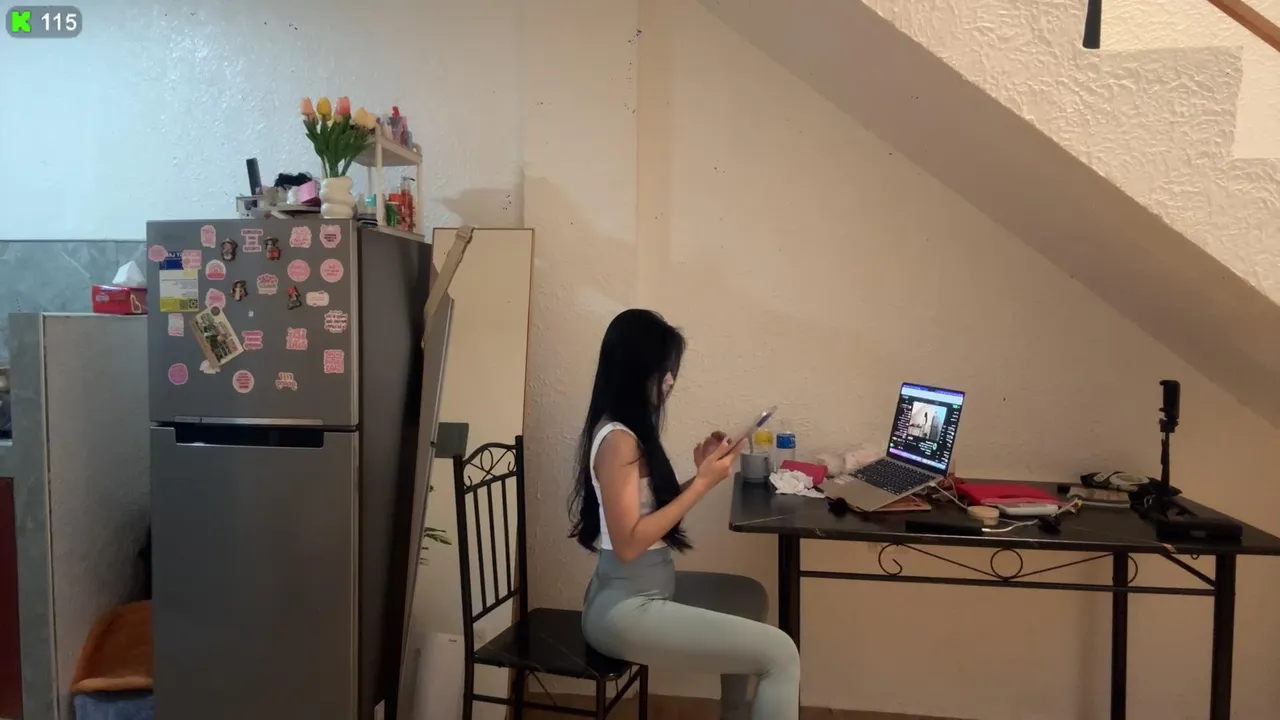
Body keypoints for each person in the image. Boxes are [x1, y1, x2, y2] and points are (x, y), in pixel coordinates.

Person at [569, 309, 801, 720]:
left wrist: (699, 473)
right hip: (622, 610)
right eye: (665, 369)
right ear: (638, 368)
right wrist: (702, 485)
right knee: (781, 654)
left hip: (651, 586)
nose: (671, 380)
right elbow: (628, 544)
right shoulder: (617, 440)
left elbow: (647, 513)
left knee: (748, 595)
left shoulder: (630, 430)